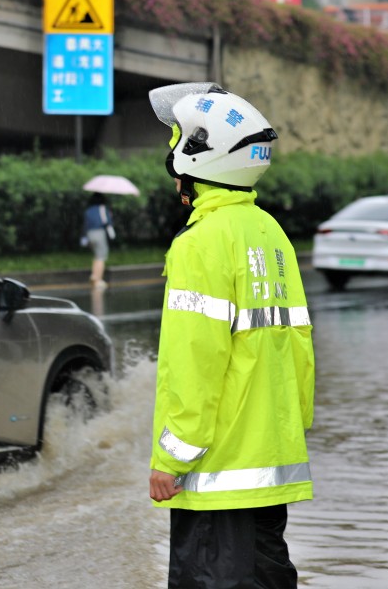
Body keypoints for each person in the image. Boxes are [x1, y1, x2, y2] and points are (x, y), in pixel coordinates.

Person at [147, 82, 315, 588]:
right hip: (268, 463)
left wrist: (171, 457)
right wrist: (288, 430)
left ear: (196, 156)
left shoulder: (201, 243)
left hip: (217, 473)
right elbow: (299, 347)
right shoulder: (270, 233)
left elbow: (194, 361)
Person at [81, 191, 115, 289]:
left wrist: (83, 237)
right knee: (101, 256)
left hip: (89, 234)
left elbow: (85, 224)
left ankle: (94, 275)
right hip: (99, 233)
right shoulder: (103, 208)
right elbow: (107, 222)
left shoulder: (88, 210)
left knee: (96, 255)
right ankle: (97, 279)